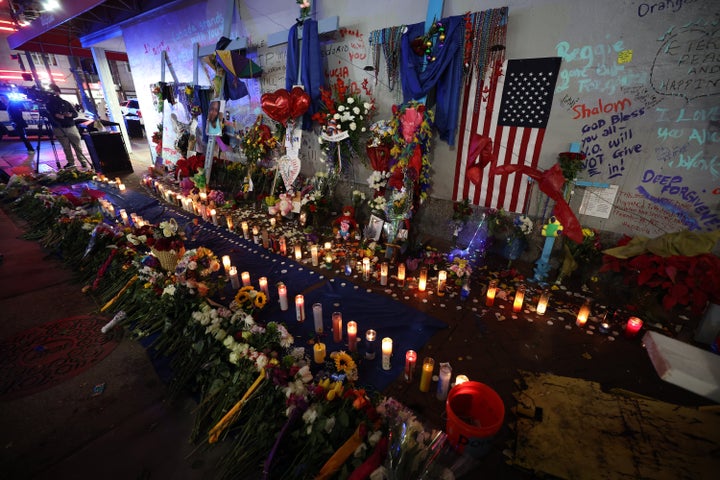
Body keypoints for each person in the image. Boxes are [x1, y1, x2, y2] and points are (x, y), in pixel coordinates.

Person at [45, 83, 90, 169]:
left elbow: (75, 114)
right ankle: (71, 162)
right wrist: (55, 116)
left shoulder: (65, 103)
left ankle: (83, 161)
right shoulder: (48, 105)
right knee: (66, 147)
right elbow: (47, 116)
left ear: (58, 92)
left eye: (54, 91)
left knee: (77, 146)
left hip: (70, 127)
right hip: (58, 128)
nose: (52, 94)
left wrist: (69, 115)